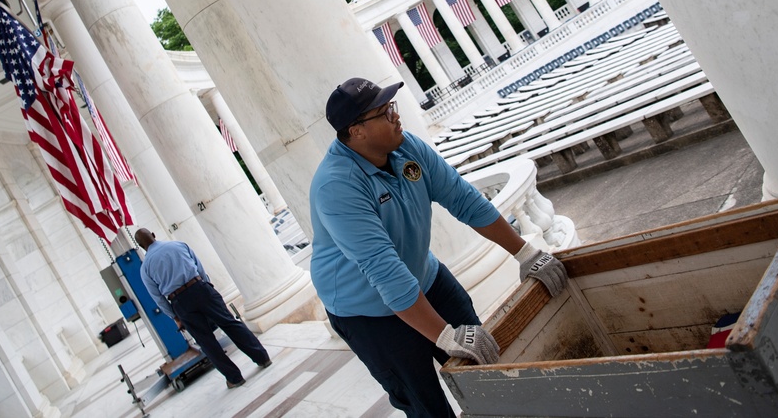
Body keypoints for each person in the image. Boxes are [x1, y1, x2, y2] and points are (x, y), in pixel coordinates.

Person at [310, 77, 568, 417]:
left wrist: (526, 253)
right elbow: (384, 270)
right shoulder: (336, 186)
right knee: (425, 402)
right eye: (385, 112)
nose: (395, 116)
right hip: (367, 311)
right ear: (356, 131)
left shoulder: (405, 148)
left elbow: (463, 199)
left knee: (486, 362)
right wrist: (444, 336)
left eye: (393, 107)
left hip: (423, 277)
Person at [135, 228, 271, 389]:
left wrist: (175, 317)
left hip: (179, 301)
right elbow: (199, 268)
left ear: (141, 246)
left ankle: (234, 378)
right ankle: (262, 358)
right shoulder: (178, 245)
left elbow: (157, 297)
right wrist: (206, 286)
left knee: (206, 341)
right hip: (200, 287)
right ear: (153, 234)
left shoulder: (145, 269)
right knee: (230, 323)